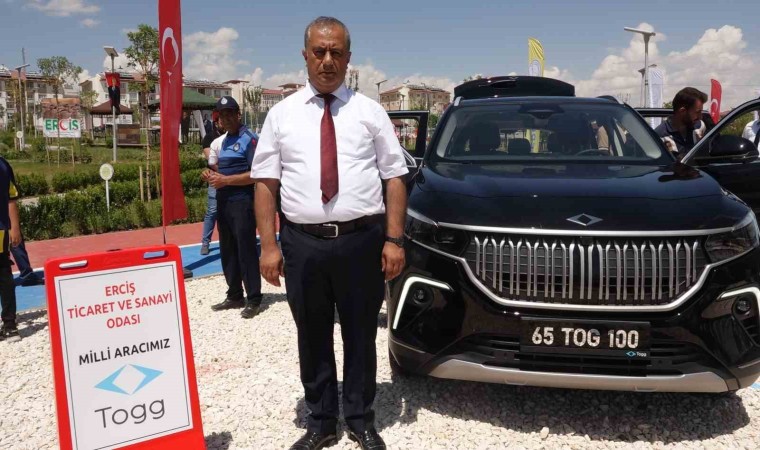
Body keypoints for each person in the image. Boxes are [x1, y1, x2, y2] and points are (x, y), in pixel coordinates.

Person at [252, 16, 407, 450]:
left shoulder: (369, 112)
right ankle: (320, 421)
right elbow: (265, 183)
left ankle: (360, 419)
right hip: (303, 244)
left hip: (362, 242)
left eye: (336, 52)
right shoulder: (281, 115)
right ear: (305, 55)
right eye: (319, 52)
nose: (327, 60)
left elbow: (395, 177)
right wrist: (268, 246)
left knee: (360, 334)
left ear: (348, 58)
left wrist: (394, 240)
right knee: (312, 334)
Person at [201, 96, 262, 319]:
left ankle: (254, 298)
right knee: (227, 249)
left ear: (238, 114)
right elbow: (221, 170)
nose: (225, 119)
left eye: (229, 114)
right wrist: (210, 174)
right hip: (223, 201)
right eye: (222, 115)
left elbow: (257, 173)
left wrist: (226, 180)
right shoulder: (222, 141)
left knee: (246, 249)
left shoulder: (250, 139)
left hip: (242, 201)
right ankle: (235, 294)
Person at [0, 156, 21, 342]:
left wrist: (15, 227)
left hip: (0, 230)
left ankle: (10, 325)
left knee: (3, 275)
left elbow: (11, 198)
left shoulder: (2, 165)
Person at [655, 87, 708, 158]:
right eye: (697, 112)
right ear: (682, 111)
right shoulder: (660, 136)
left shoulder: (700, 127)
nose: (700, 117)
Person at [199, 111, 224, 255]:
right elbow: (212, 162)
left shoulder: (234, 136)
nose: (225, 122)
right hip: (215, 176)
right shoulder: (209, 138)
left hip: (231, 177)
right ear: (216, 121)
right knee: (213, 210)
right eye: (222, 119)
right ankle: (205, 242)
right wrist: (229, 172)